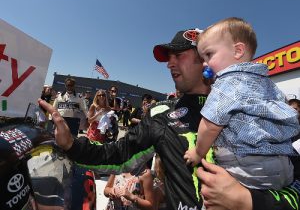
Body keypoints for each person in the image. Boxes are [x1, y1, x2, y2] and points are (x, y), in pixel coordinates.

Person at [39, 28, 300, 210]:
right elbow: (117, 156)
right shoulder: (161, 114)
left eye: (178, 55)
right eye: (168, 58)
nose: (169, 64)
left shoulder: (256, 105)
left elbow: (295, 181)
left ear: (204, 58)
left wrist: (249, 202)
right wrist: (71, 144)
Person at [184, 17, 300, 190]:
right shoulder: (266, 82)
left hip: (247, 167)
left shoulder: (227, 83)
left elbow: (210, 125)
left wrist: (198, 152)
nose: (205, 64)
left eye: (209, 54)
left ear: (238, 51)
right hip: (283, 164)